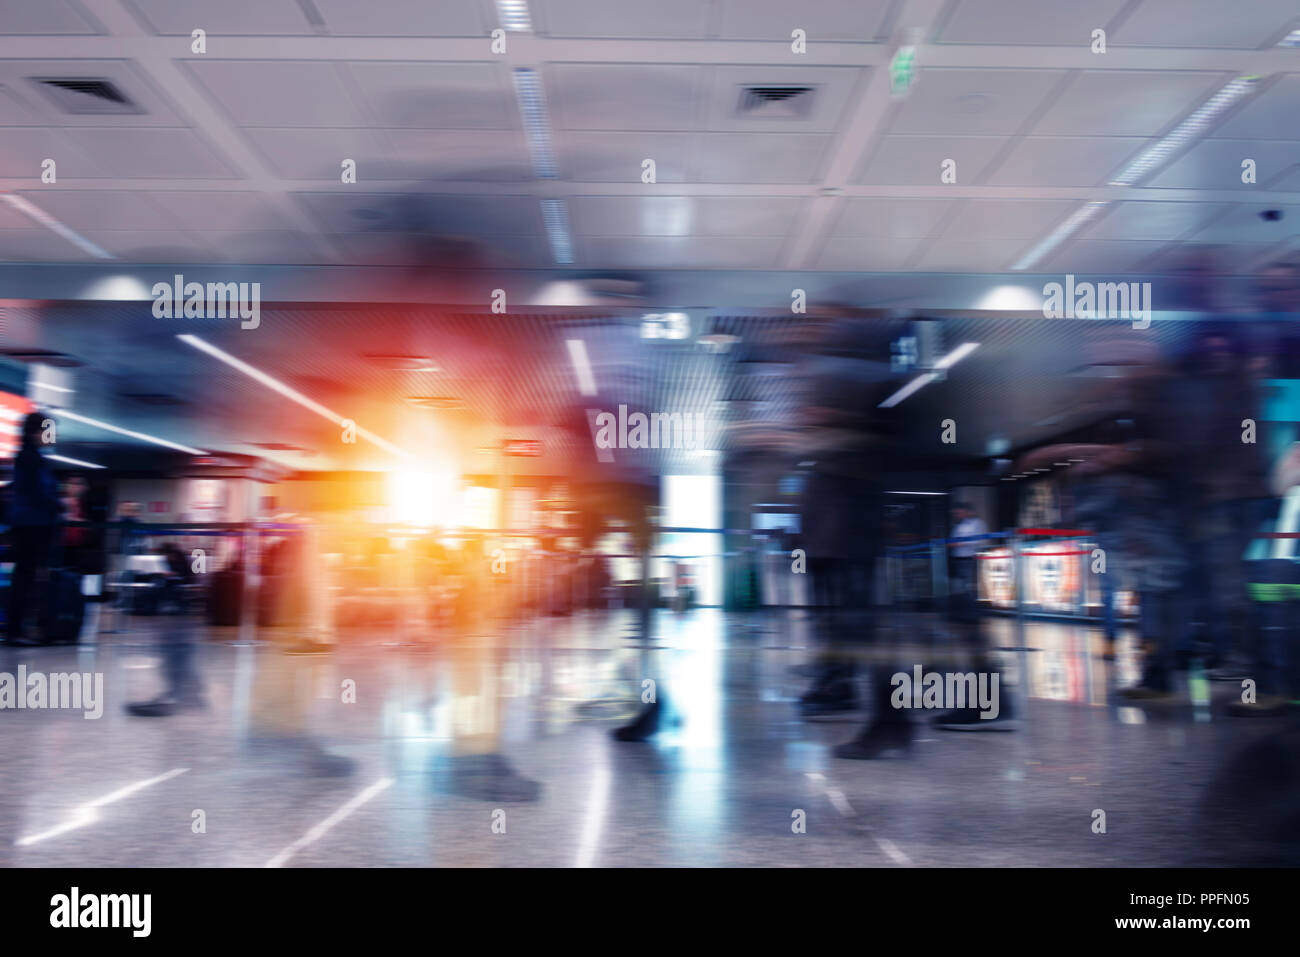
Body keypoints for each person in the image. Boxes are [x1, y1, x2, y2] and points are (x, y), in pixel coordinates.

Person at [4, 412, 62, 645]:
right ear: (36, 432)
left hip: (31, 524)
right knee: (26, 578)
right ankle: (16, 630)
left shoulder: (31, 457)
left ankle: (19, 628)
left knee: (26, 577)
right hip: (33, 525)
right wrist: (56, 504)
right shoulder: (30, 458)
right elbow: (37, 493)